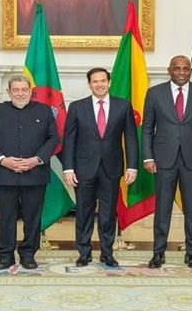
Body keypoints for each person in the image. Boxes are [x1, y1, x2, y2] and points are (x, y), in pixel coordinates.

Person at [141, 56, 192, 270]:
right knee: (162, 209)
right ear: (169, 70)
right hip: (163, 159)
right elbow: (147, 127)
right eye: (177, 69)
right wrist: (148, 157)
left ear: (190, 71)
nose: (181, 72)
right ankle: (158, 253)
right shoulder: (155, 93)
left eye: (185, 69)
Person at [0, 75, 59, 270]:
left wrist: (36, 160)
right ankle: (5, 255)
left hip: (35, 173)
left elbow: (53, 138)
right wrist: (3, 160)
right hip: (3, 173)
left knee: (33, 217)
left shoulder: (44, 110)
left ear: (30, 91)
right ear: (9, 92)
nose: (20, 94)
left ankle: (28, 254)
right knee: (6, 216)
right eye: (16, 90)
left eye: (24, 90)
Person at [62, 68, 138, 267]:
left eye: (103, 80)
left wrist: (132, 166)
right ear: (89, 84)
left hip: (111, 168)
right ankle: (84, 253)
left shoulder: (123, 106)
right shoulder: (77, 107)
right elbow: (69, 139)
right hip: (83, 168)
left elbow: (131, 137)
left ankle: (107, 253)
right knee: (83, 212)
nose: (99, 84)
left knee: (108, 213)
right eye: (95, 81)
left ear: (109, 82)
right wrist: (68, 168)